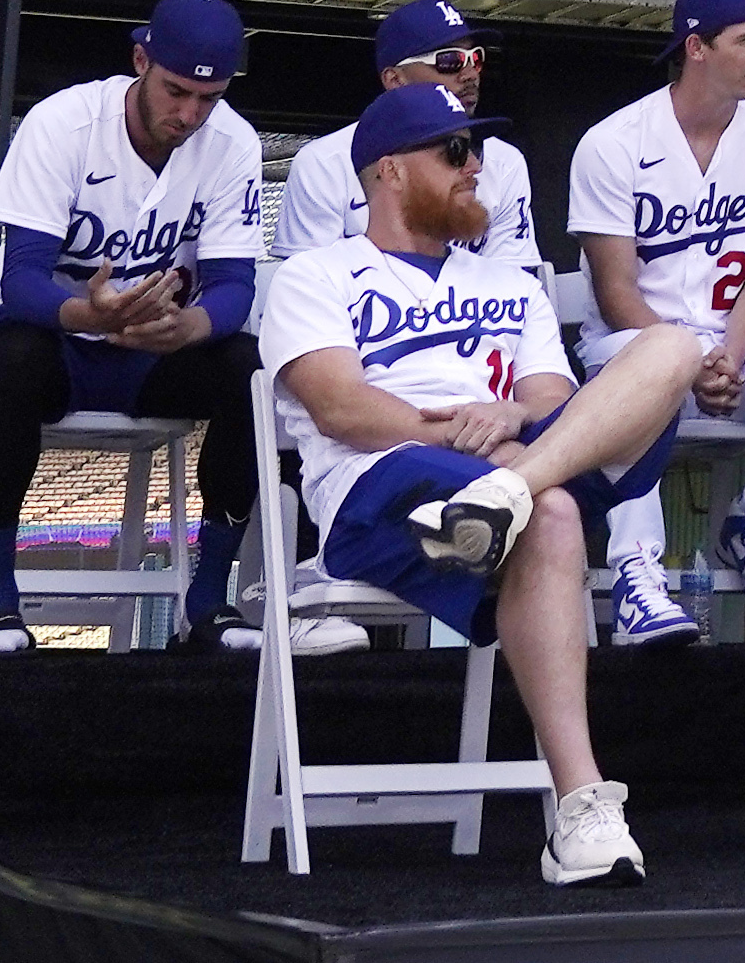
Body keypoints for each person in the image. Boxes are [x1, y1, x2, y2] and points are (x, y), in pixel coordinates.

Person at [259, 78, 703, 890]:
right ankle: (581, 805)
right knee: (553, 513)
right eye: (455, 151)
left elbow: (551, 396)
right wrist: (460, 432)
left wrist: (511, 416)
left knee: (673, 348)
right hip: (381, 490)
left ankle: (507, 493)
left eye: (480, 151)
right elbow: (342, 408)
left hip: (511, 468)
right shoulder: (318, 274)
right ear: (390, 170)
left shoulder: (507, 283)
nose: (475, 167)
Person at [0, 0, 266, 654]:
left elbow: (236, 285)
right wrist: (87, 313)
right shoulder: (63, 122)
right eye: (176, 91)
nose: (190, 114)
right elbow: (22, 277)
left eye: (208, 98)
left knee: (249, 369)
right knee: (14, 357)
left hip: (153, 350)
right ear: (140, 61)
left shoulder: (233, 140)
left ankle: (209, 600)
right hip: (55, 340)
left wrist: (190, 328)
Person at [569, 0, 745, 648]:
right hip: (631, 345)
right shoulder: (614, 142)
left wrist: (727, 356)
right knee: (642, 369)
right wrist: (688, 361)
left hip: (736, 347)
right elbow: (615, 290)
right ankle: (637, 573)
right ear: (696, 47)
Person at [282, 0, 542, 257]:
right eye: (449, 60)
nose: (470, 74)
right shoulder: (324, 162)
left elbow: (512, 276)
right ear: (395, 79)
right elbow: (308, 276)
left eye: (475, 58)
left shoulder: (506, 162)